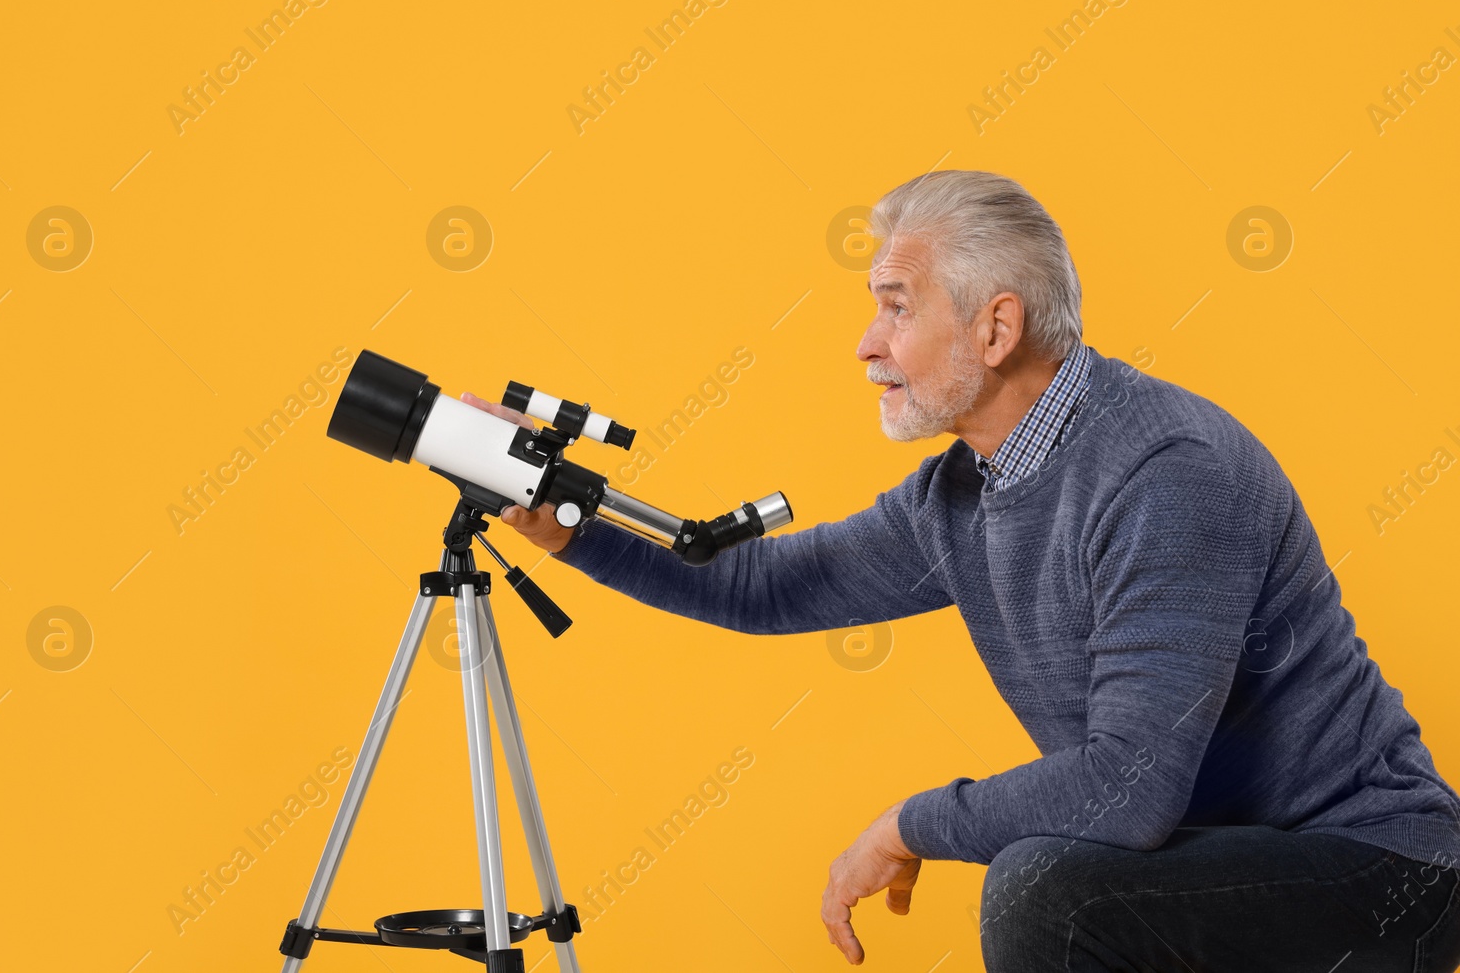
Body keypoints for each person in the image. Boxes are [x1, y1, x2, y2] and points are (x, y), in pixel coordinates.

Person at [464, 170, 1460, 972]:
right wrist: (566, 525)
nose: (864, 345)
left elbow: (1128, 789)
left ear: (993, 327)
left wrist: (908, 823)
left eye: (894, 308)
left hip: (1375, 864)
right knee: (1055, 880)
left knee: (1045, 890)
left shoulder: (1165, 472)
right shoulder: (963, 494)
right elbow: (754, 585)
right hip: (1207, 864)